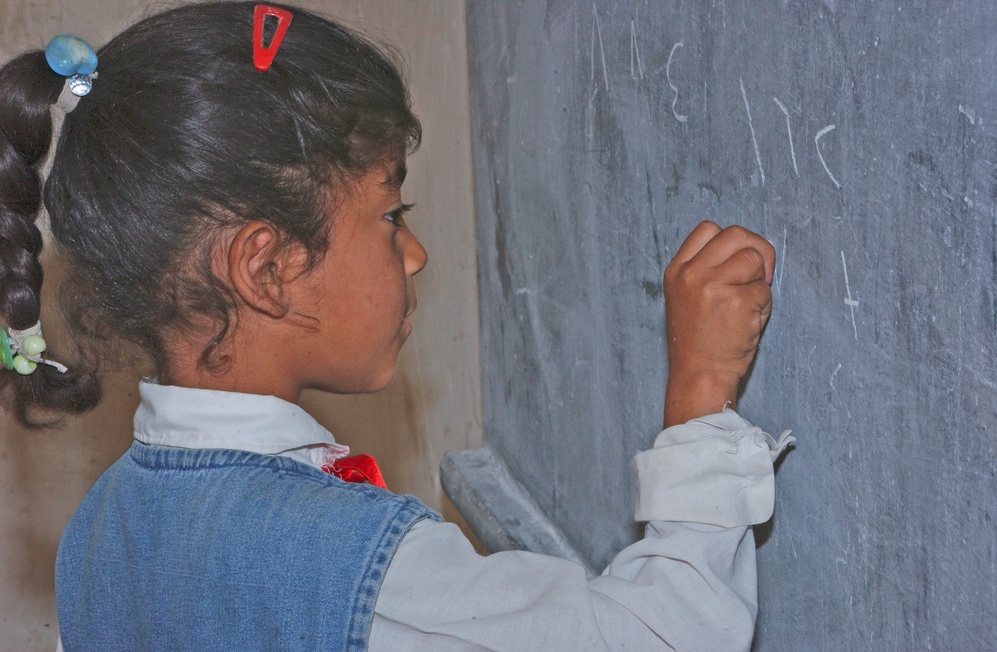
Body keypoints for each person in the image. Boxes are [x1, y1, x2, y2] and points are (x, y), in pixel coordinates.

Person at [0, 2, 792, 650]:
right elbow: (660, 638)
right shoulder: (361, 570)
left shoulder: (97, 537)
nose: (413, 255)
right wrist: (698, 394)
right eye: (390, 212)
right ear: (266, 268)